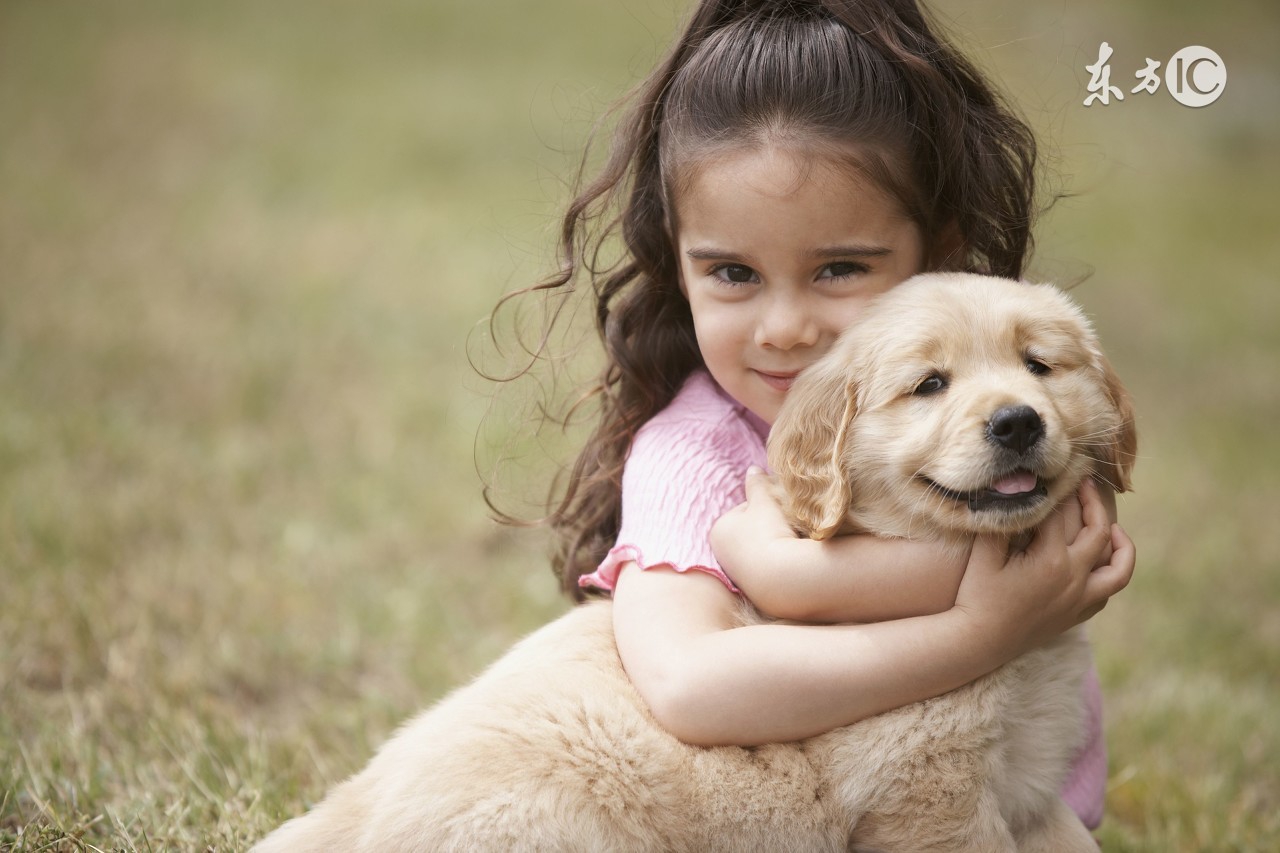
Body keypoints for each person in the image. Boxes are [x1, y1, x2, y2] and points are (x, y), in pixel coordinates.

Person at [489, 0, 1135, 832]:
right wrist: (983, 625)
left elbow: (1071, 531)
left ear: (936, 253)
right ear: (676, 266)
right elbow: (690, 685)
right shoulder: (697, 457)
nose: (785, 327)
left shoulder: (998, 381)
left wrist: (792, 575)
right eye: (731, 272)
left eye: (837, 267)